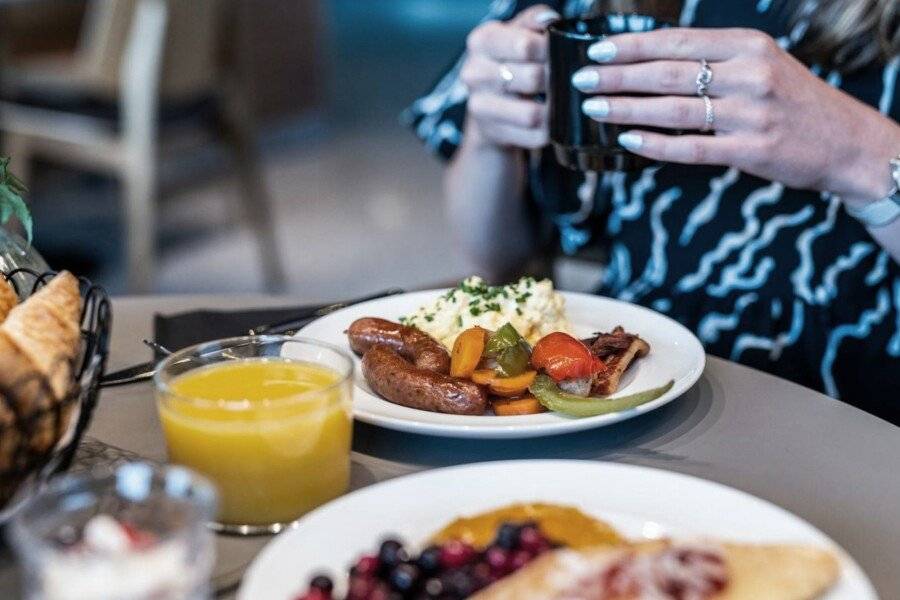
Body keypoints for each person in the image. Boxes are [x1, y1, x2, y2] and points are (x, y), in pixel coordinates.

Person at [405, 0, 900, 423]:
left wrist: (861, 153)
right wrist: (490, 134)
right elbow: (495, 262)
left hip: (861, 395)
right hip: (624, 373)